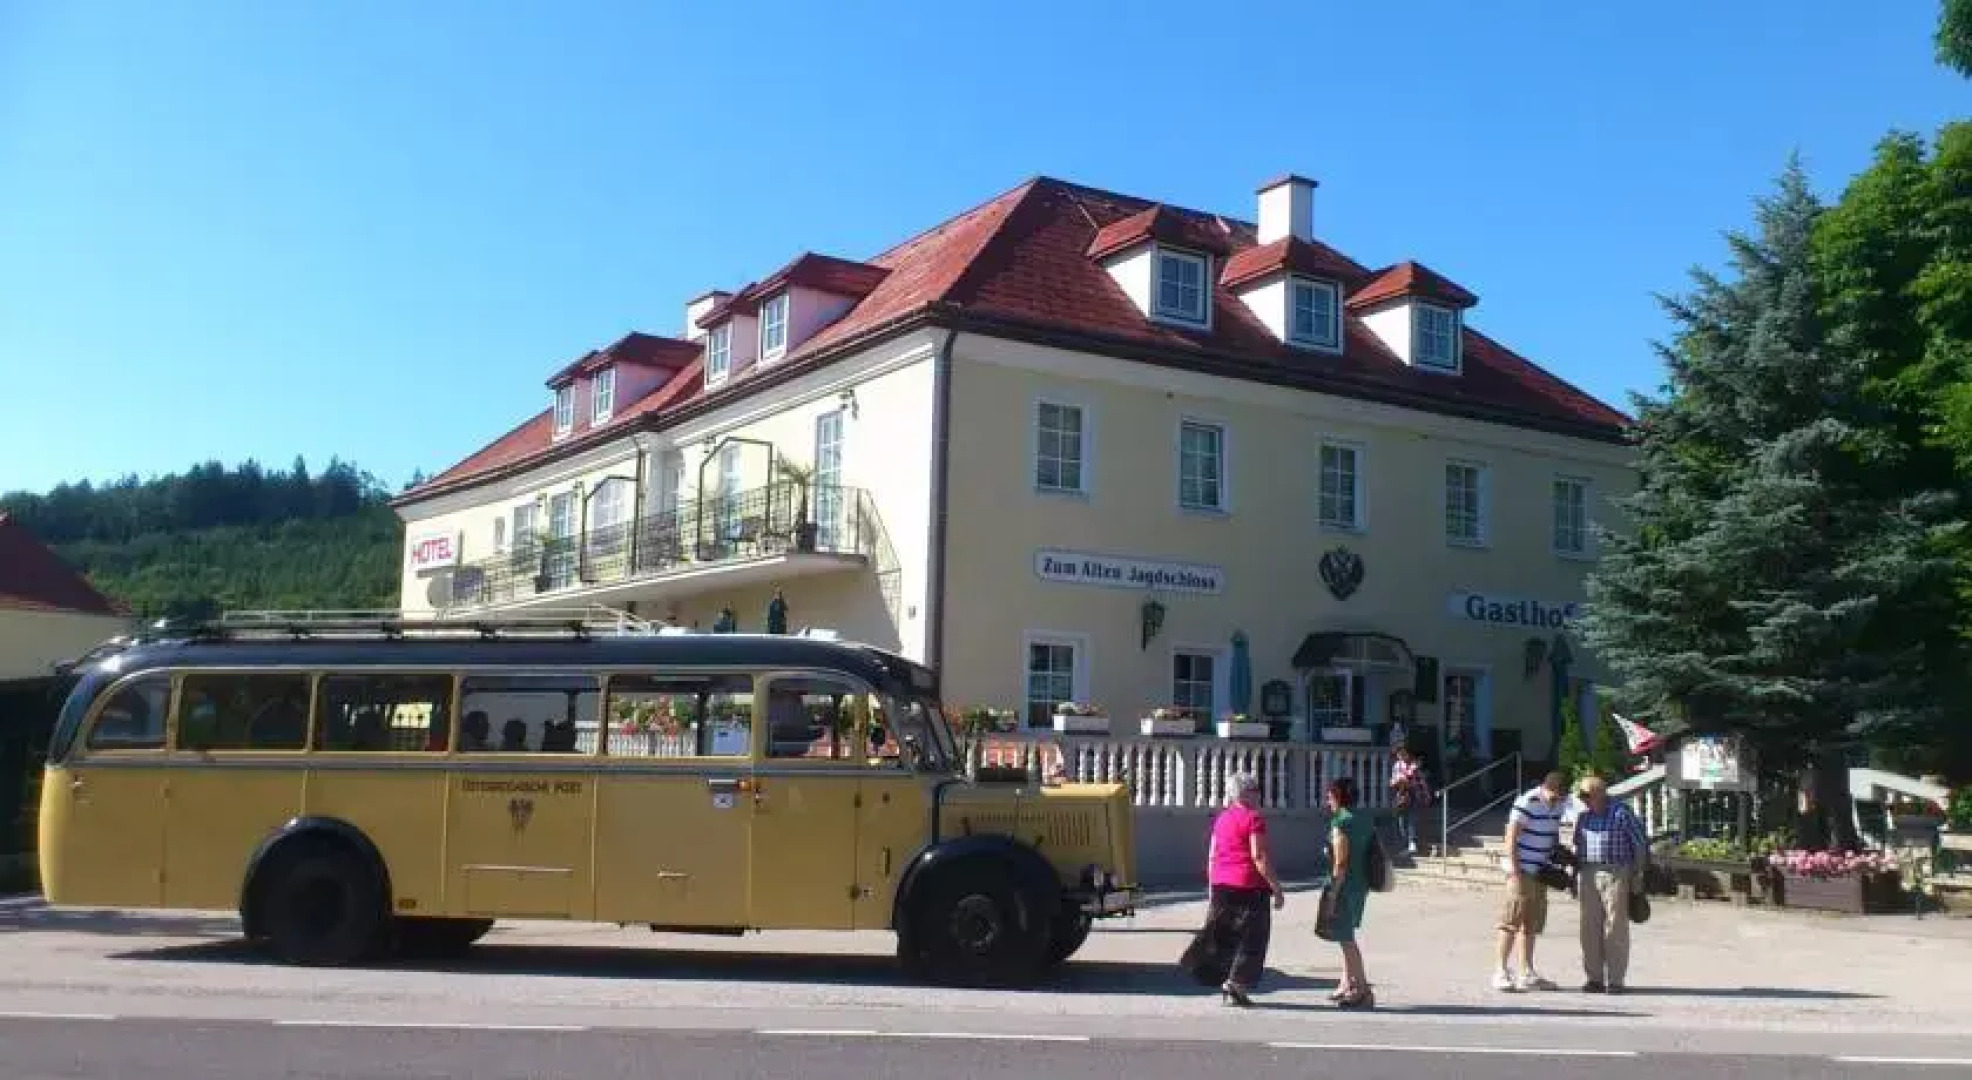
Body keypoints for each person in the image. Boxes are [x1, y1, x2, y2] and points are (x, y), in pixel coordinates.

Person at [1204, 772, 1285, 1006]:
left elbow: (1212, 855)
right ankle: (1236, 984)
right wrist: (1277, 888)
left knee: (1227, 935)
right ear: (1245, 793)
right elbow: (1258, 856)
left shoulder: (1222, 819)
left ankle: (1227, 980)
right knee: (1253, 938)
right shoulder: (1253, 818)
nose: (1259, 794)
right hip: (1248, 886)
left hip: (1222, 883)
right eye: (1255, 790)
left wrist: (1211, 885)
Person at [1572, 775, 1648, 993]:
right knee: (1589, 927)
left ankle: (1615, 980)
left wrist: (1637, 873)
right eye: (1581, 796)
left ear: (1600, 793)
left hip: (1616, 871)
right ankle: (1594, 978)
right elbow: (1578, 845)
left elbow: (1639, 843)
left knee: (1615, 926)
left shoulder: (1621, 813)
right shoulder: (1584, 817)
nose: (1584, 800)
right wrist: (1573, 874)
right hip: (1588, 872)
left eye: (1587, 795)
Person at [1494, 770, 1568, 992]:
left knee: (1531, 923)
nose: (1557, 801)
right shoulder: (1527, 802)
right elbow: (1510, 838)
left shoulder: (1559, 805)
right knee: (1511, 920)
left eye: (1561, 797)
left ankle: (1526, 971)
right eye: (1554, 797)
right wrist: (1515, 872)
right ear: (1545, 788)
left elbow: (1553, 833)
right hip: (1521, 869)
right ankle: (1500, 971)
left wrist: (1557, 855)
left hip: (1540, 871)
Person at [1323, 775, 1377, 1009]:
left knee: (1346, 939)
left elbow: (1340, 862)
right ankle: (1347, 983)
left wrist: (1333, 891)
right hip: (1360, 883)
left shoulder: (1341, 823)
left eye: (1329, 796)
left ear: (1338, 797)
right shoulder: (1364, 819)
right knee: (1346, 935)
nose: (1327, 801)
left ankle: (1362, 989)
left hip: (1344, 885)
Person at [1389, 747, 1430, 857]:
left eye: (1403, 754)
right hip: (1401, 795)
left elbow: (1421, 781)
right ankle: (1407, 843)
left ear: (1407, 754)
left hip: (1413, 795)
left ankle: (1412, 844)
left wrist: (1426, 795)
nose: (1401, 756)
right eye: (1399, 755)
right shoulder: (1396, 765)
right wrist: (1395, 782)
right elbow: (1393, 780)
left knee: (1412, 819)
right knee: (1401, 821)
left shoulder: (1414, 765)